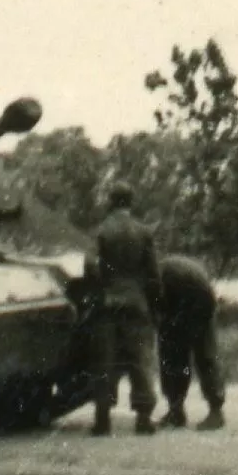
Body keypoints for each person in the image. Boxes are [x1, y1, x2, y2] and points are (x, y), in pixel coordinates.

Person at [85, 182, 163, 436]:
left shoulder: (102, 231)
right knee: (140, 359)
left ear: (111, 201)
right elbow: (153, 274)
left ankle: (102, 419)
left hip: (109, 304)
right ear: (130, 202)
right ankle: (143, 418)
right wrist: (153, 302)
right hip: (137, 302)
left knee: (106, 359)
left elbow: (90, 265)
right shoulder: (143, 232)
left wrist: (101, 288)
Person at [156, 254, 227, 431]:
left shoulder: (155, 276)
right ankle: (179, 410)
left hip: (195, 297)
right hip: (199, 294)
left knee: (180, 356)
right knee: (198, 355)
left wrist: (166, 326)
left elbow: (158, 307)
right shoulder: (162, 268)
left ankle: (207, 411)